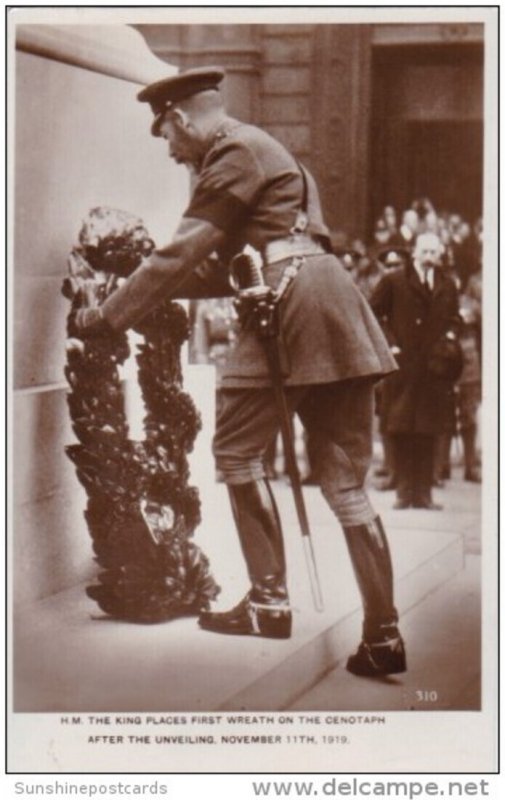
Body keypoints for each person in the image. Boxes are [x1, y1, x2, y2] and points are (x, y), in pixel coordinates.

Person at [76, 66, 406, 676]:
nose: (174, 154)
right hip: (335, 305)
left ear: (180, 119)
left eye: (170, 140)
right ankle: (383, 636)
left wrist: (108, 316)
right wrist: (144, 286)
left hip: (287, 304)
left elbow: (186, 251)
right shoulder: (271, 154)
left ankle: (268, 602)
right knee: (345, 482)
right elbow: (211, 269)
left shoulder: (232, 151)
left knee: (235, 450)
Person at [370, 233, 461, 510]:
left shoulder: (447, 284)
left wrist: (448, 342)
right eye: (425, 251)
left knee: (428, 431)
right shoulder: (394, 281)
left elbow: (455, 319)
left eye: (435, 252)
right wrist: (389, 344)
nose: (430, 257)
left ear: (440, 254)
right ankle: (404, 492)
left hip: (433, 369)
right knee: (402, 430)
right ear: (415, 252)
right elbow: (373, 314)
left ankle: (424, 495)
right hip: (404, 367)